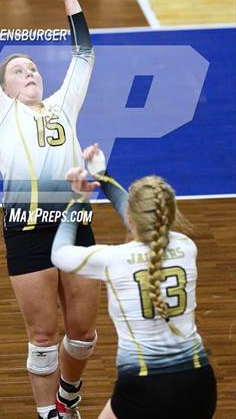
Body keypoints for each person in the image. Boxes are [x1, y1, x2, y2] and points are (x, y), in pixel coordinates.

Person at [0, 0, 124, 419]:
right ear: (4, 88)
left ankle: (68, 397)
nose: (29, 71)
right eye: (18, 70)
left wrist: (71, 4)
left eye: (32, 66)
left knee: (83, 336)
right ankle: (49, 415)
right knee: (42, 338)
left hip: (76, 225)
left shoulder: (61, 106)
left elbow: (85, 55)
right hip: (26, 228)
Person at [51, 144, 217, 419]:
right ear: (170, 214)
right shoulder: (187, 248)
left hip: (142, 387)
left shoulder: (113, 259)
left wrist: (79, 199)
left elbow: (59, 254)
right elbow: (143, 225)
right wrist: (103, 175)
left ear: (131, 218)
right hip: (198, 383)